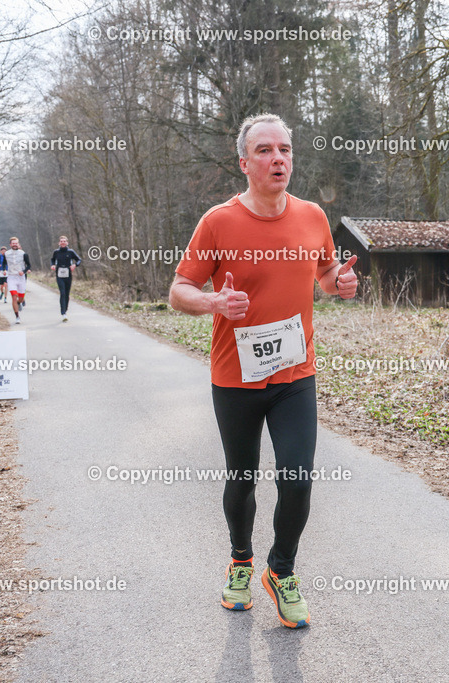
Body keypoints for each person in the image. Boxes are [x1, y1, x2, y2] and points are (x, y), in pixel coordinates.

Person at [168, 113, 358, 629]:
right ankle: (240, 560)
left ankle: (281, 570)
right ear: (244, 162)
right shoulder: (219, 221)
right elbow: (178, 291)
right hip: (236, 378)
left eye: (286, 149)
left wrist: (337, 283)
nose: (279, 158)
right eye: (266, 150)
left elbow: (323, 274)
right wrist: (211, 303)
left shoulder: (313, 216)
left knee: (297, 480)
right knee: (243, 478)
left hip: (296, 375)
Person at [50, 236, 82, 322]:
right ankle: (63, 312)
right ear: (59, 243)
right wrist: (52, 265)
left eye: (64, 241)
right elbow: (52, 260)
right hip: (59, 274)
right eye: (61, 241)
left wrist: (75, 265)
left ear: (67, 243)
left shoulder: (70, 252)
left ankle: (65, 309)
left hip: (68, 274)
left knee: (67, 293)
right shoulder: (56, 252)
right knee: (62, 292)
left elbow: (79, 259)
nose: (63, 242)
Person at [3, 237, 31, 324]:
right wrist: (4, 270)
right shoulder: (6, 254)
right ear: (10, 245)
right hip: (11, 277)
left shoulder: (23, 254)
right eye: (13, 243)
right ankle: (17, 317)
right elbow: (4, 263)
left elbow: (29, 265)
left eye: (16, 243)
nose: (14, 245)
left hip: (21, 277)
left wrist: (24, 271)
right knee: (14, 296)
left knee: (21, 298)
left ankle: (19, 303)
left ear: (18, 244)